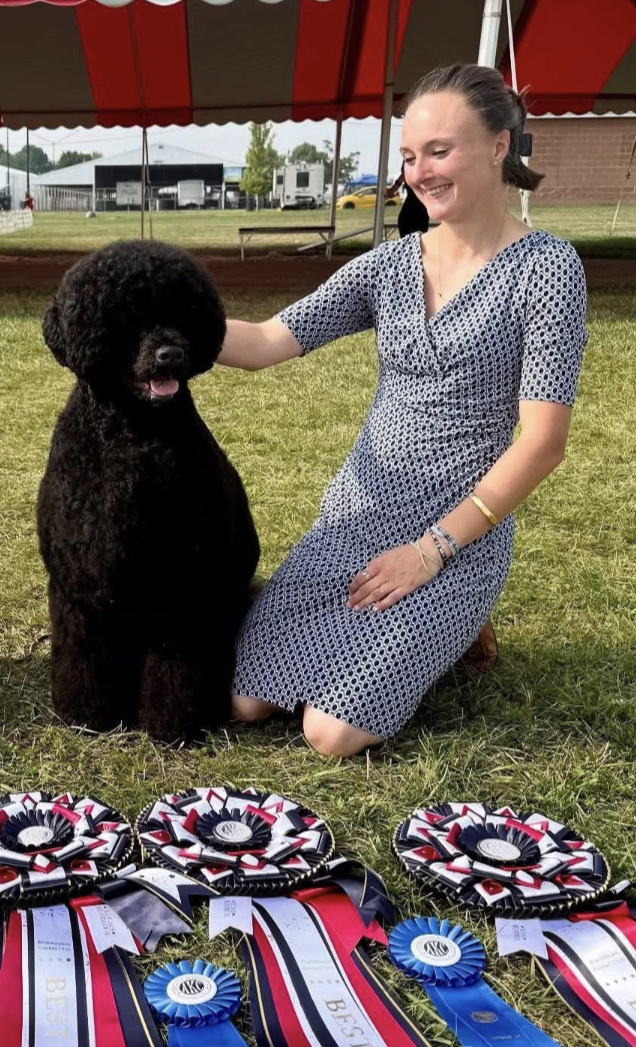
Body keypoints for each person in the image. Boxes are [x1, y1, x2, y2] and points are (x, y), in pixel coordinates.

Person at [218, 63, 587, 759]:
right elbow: (266, 342)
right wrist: (162, 323)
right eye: (411, 157)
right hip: (355, 516)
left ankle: (452, 623)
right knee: (244, 701)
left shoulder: (547, 269)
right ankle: (420, 635)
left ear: (500, 145)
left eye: (439, 151)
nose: (420, 173)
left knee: (329, 732)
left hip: (456, 535)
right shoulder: (388, 266)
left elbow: (543, 443)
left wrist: (430, 551)